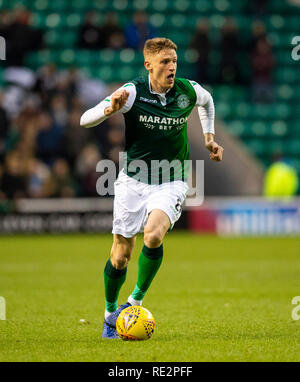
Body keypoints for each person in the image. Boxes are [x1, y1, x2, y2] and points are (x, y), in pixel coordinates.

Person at [80, 37, 224, 339]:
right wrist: (108, 111)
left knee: (154, 234)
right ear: (149, 64)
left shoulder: (187, 91)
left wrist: (209, 137)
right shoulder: (131, 93)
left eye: (174, 61)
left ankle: (134, 301)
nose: (171, 67)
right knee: (121, 255)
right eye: (165, 62)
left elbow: (207, 100)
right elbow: (84, 119)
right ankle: (109, 312)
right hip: (133, 180)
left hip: (172, 178)